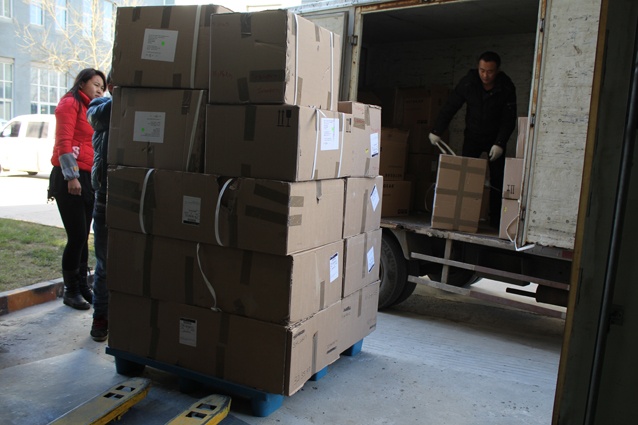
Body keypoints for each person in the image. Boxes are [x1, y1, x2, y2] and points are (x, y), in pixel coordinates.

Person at [429, 51, 517, 228]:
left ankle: (496, 221)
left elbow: (509, 119)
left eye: (490, 71)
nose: (485, 75)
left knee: (497, 179)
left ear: (497, 71)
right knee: (466, 178)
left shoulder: (506, 87)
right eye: (482, 70)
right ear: (478, 67)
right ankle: (464, 216)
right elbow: (451, 105)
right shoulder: (469, 82)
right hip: (473, 136)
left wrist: (500, 143)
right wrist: (437, 130)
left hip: (495, 138)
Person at [48, 68, 106, 310]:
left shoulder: (91, 108)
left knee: (84, 237)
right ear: (81, 83)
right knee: (77, 236)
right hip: (68, 177)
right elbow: (64, 142)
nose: (99, 90)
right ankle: (70, 291)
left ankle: (82, 286)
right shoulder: (69, 103)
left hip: (87, 177)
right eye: (95, 84)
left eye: (102, 87)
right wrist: (71, 177)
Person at [86, 71, 112, 341]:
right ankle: (101, 316)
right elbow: (98, 118)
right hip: (105, 198)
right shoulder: (100, 105)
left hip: (137, 198)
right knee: (105, 264)